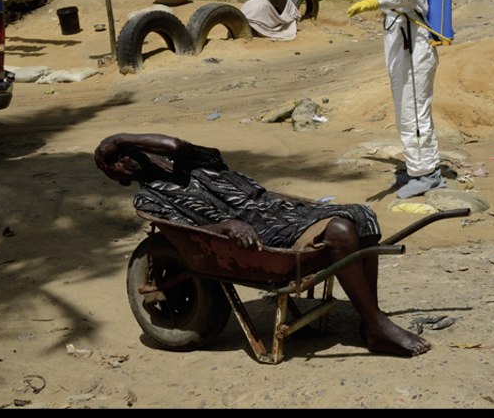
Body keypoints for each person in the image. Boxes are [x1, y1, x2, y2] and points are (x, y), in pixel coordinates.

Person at [95, 132, 432, 358]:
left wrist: (119, 138)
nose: (121, 161)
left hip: (279, 211)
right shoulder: (149, 198)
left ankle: (369, 317)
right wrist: (225, 226)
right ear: (119, 179)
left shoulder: (194, 164)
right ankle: (377, 327)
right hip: (253, 236)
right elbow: (183, 232)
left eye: (123, 154)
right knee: (342, 232)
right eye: (112, 166)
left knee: (363, 215)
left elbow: (174, 145)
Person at [342, 0, 445, 199]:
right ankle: (421, 167)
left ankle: (426, 175)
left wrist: (372, 3)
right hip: (403, 53)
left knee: (414, 112)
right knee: (406, 112)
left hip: (416, 54)